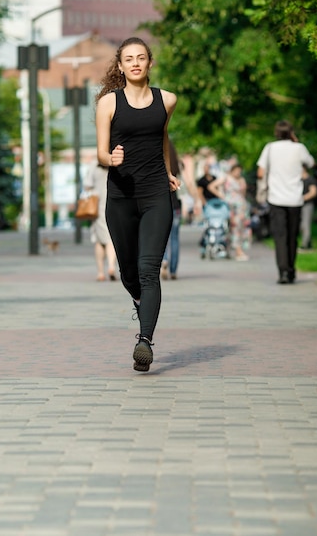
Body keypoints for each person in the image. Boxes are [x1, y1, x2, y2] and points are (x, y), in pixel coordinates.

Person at [95, 37, 179, 372]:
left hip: (156, 193)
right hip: (120, 198)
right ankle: (140, 303)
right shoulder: (108, 103)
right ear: (120, 66)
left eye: (140, 58)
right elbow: (101, 151)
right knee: (129, 272)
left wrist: (169, 171)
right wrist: (110, 159)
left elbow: (162, 137)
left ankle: (145, 340)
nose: (134, 63)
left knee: (148, 270)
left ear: (149, 63)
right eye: (128, 59)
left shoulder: (167, 100)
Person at [257, 120, 314, 283]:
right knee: (292, 236)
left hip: (276, 198)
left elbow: (260, 172)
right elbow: (311, 162)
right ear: (291, 132)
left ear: (276, 133)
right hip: (295, 199)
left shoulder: (270, 148)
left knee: (280, 237)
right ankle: (291, 270)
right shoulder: (299, 148)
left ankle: (283, 272)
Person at [161, 145, 201, 280]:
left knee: (162, 237)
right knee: (174, 238)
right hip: (176, 205)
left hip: (161, 204)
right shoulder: (178, 164)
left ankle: (164, 260)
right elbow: (189, 183)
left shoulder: (158, 162)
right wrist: (196, 200)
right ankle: (173, 271)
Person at [208, 162, 251, 261]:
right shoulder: (226, 178)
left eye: (240, 171)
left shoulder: (241, 180)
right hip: (231, 207)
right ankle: (238, 251)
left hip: (242, 207)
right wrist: (222, 196)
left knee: (241, 228)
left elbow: (243, 194)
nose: (238, 173)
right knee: (234, 228)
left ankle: (233, 249)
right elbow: (211, 186)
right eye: (236, 171)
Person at [83, 161, 117, 281]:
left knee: (99, 241)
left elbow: (87, 185)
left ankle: (100, 272)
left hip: (97, 206)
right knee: (111, 239)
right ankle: (112, 267)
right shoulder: (116, 161)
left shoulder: (94, 164)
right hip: (114, 203)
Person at [300, 164, 317, 249]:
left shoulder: (310, 179)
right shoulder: (298, 180)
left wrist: (303, 198)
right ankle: (309, 243)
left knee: (305, 225)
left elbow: (313, 192)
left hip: (308, 205)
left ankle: (305, 245)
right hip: (299, 205)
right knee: (301, 226)